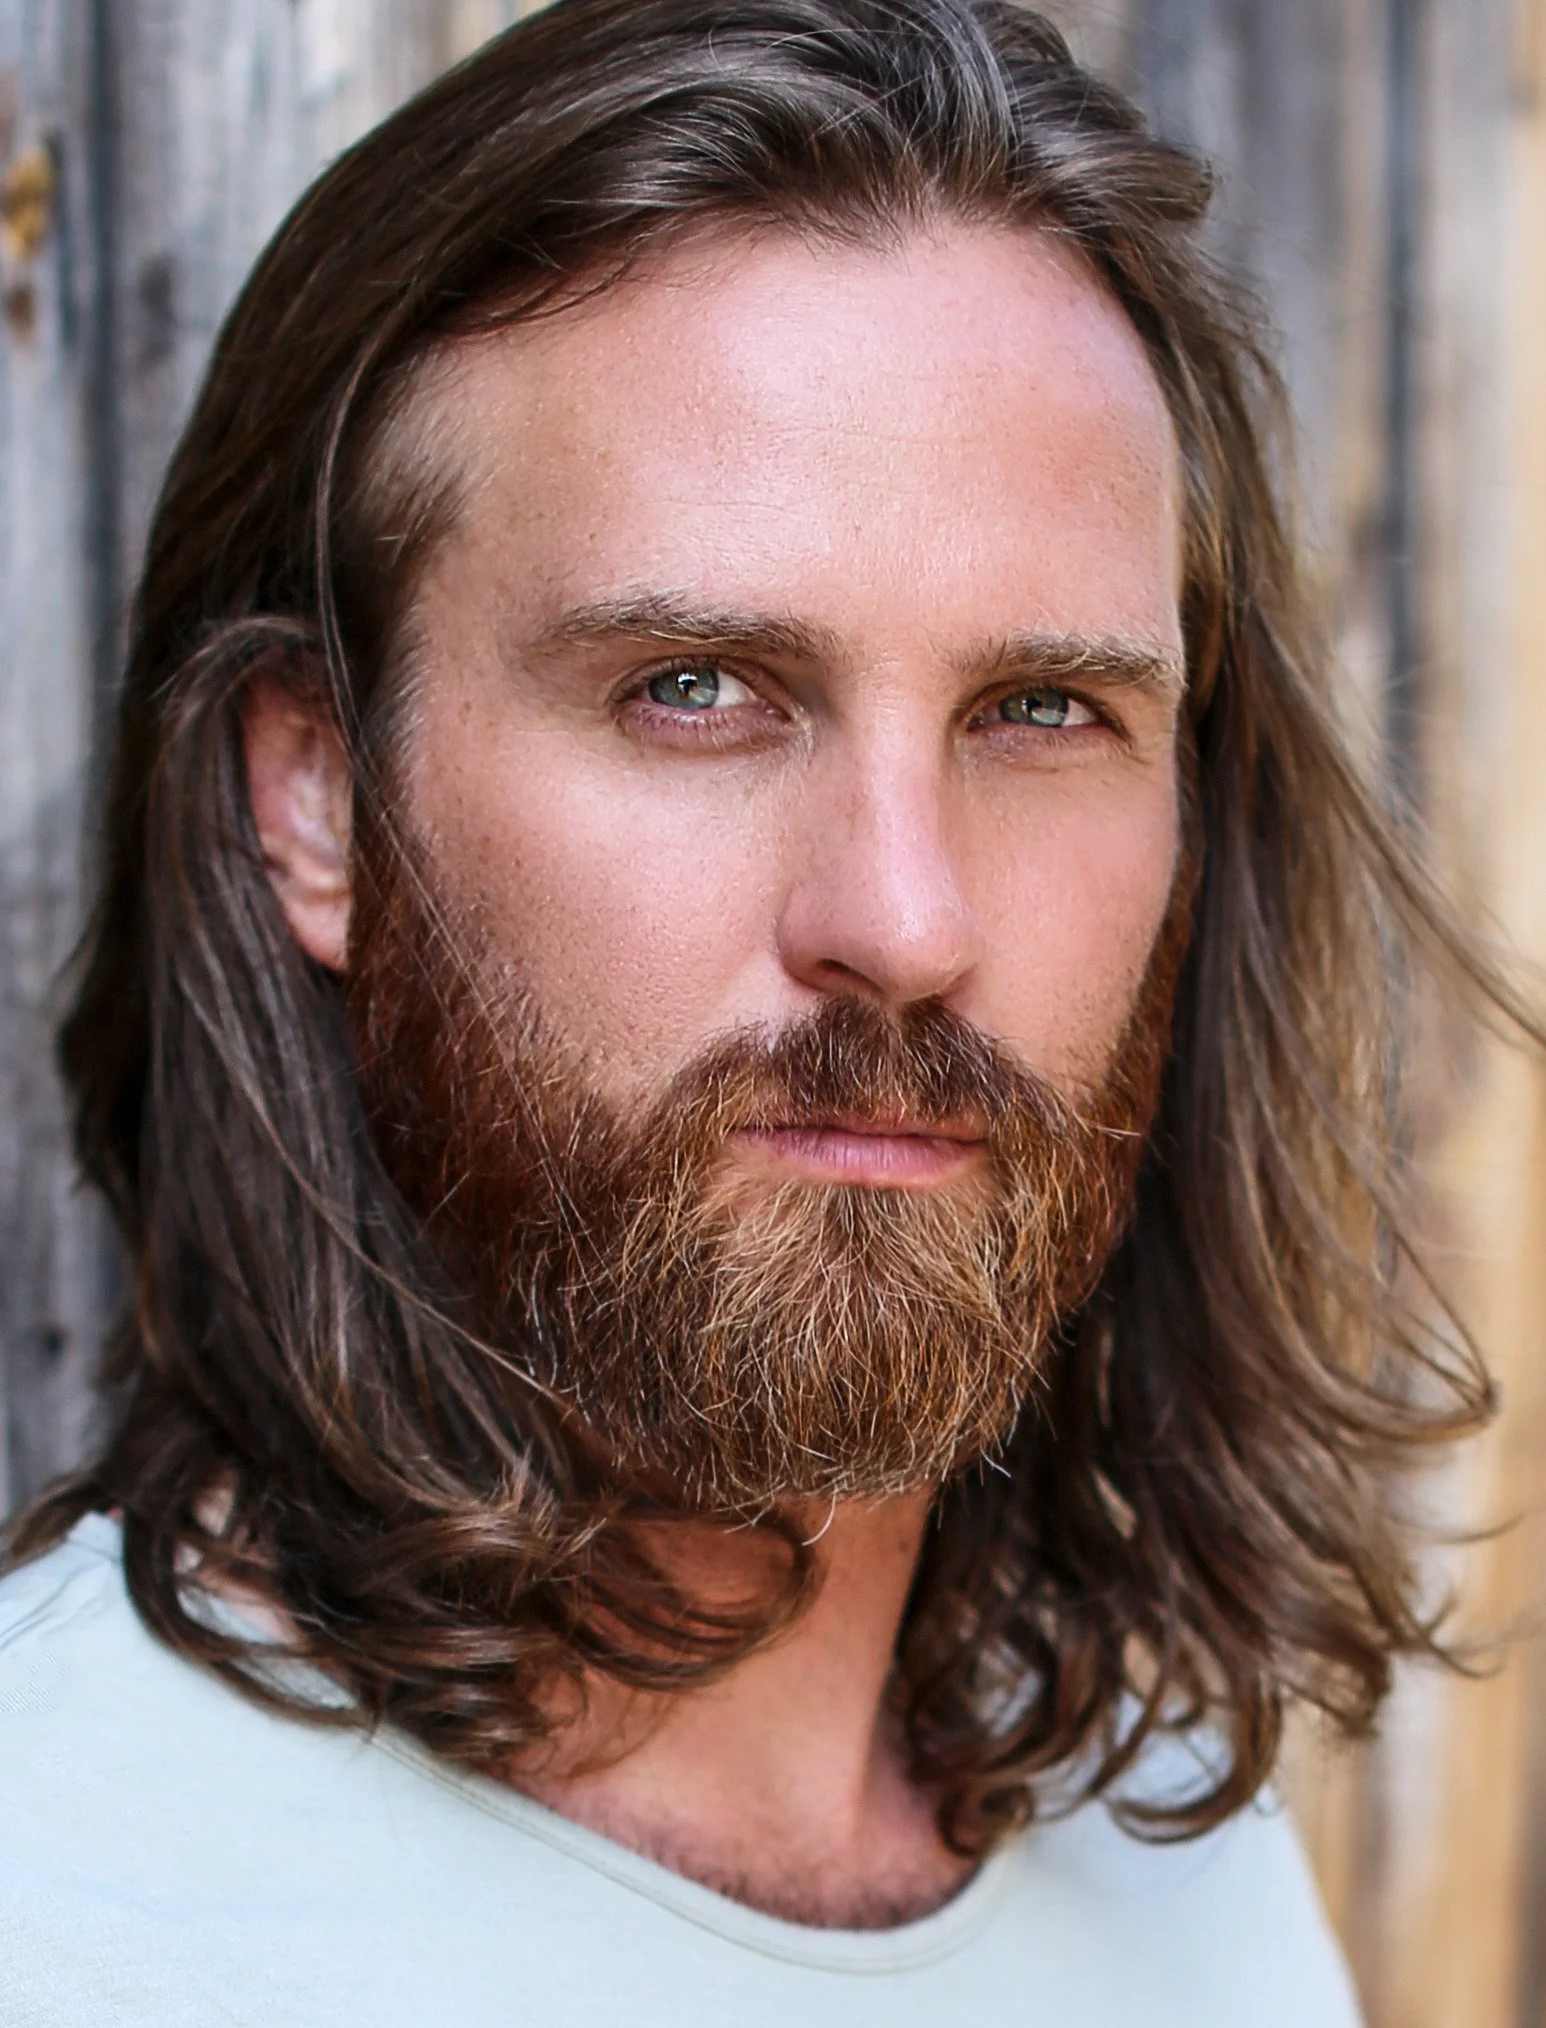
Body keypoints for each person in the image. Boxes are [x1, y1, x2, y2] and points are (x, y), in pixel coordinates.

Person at [0, 1, 1524, 2020]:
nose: (900, 918)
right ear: (318, 799)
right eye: (696, 688)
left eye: (1041, 710)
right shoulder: (71, 1910)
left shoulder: (1176, 1857)